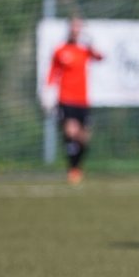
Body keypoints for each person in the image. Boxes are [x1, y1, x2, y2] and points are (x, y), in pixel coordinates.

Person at [43, 16, 104, 185]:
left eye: (79, 27)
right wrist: (48, 93)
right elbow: (52, 72)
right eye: (73, 27)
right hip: (66, 99)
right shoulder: (60, 50)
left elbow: (100, 57)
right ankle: (72, 169)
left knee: (84, 137)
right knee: (71, 132)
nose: (76, 30)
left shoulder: (85, 50)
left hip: (83, 100)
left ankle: (77, 167)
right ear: (69, 29)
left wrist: (91, 44)